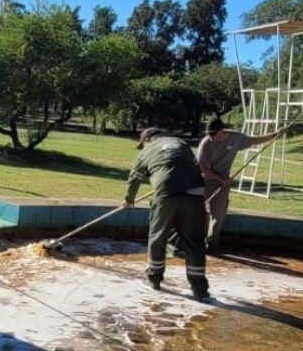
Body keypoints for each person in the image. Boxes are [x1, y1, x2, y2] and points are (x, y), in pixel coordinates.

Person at [124, 127, 211, 302]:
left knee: (158, 236)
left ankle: (154, 279)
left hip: (166, 193)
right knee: (194, 240)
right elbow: (191, 166)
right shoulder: (182, 143)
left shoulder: (148, 150)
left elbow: (135, 176)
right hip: (195, 192)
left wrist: (128, 199)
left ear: (147, 139)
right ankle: (199, 289)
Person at [195, 117, 292, 252]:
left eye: (213, 134)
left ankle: (211, 243)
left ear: (222, 131)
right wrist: (222, 179)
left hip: (223, 183)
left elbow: (254, 140)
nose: (211, 137)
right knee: (198, 211)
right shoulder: (206, 144)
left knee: (218, 214)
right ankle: (191, 240)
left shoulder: (236, 138)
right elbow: (204, 169)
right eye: (209, 134)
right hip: (205, 180)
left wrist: (275, 135)